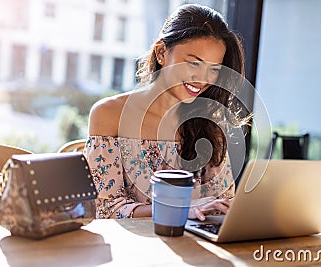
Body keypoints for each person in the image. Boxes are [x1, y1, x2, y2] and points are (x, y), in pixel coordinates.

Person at [84, 4, 250, 220]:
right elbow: (104, 209)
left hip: (192, 245)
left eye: (214, 69)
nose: (202, 78)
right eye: (193, 63)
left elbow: (222, 202)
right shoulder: (109, 114)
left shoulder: (209, 123)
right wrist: (179, 210)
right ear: (162, 52)